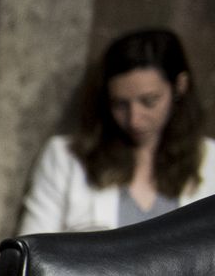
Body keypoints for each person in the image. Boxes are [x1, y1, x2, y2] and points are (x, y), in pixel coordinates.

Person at [18, 27, 213, 234]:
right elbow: (33, 254)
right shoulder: (67, 158)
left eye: (149, 101)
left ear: (180, 86)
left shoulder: (211, 161)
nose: (134, 119)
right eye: (120, 104)